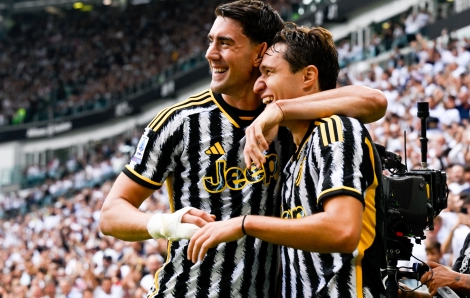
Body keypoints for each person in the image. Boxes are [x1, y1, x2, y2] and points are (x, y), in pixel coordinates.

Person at [100, 1, 387, 297]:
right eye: (211, 41)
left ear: (259, 53)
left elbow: (374, 101)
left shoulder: (295, 127)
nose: (211, 53)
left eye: (225, 43)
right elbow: (111, 214)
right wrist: (167, 223)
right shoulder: (180, 122)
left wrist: (278, 112)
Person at [187, 23, 386, 297]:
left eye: (268, 72)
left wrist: (245, 224)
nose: (258, 85)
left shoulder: (334, 131)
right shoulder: (293, 152)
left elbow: (342, 231)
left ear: (308, 77)